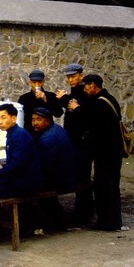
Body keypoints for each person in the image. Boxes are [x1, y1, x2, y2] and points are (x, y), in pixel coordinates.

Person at [0, 103, 43, 239]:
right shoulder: (13, 134)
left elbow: (18, 165)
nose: (0, 121)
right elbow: (14, 164)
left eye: (3, 117)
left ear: (14, 118)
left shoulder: (19, 136)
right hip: (20, 180)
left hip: (24, 184)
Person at [82, 74, 128, 231]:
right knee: (113, 186)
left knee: (103, 187)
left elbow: (97, 130)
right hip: (114, 152)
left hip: (104, 153)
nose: (85, 89)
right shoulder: (111, 99)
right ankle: (115, 221)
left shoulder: (99, 104)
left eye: (86, 86)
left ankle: (106, 222)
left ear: (93, 85)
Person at [56, 63, 94, 225]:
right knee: (78, 177)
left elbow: (82, 115)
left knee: (83, 178)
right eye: (69, 77)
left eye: (73, 76)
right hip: (73, 142)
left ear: (80, 75)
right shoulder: (74, 92)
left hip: (82, 143)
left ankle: (84, 214)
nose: (71, 79)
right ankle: (82, 212)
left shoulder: (84, 93)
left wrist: (65, 99)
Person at [31, 107, 77, 230]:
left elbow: (43, 165)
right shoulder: (55, 129)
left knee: (28, 187)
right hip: (66, 174)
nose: (35, 123)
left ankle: (28, 224)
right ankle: (59, 221)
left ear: (47, 121)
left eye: (38, 120)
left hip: (61, 179)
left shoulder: (47, 139)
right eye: (33, 119)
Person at [17, 69, 63, 134]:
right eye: (34, 82)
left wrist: (46, 100)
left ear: (43, 82)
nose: (37, 85)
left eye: (39, 82)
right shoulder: (24, 98)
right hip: (30, 134)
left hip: (48, 134)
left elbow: (58, 113)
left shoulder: (51, 96)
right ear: (30, 82)